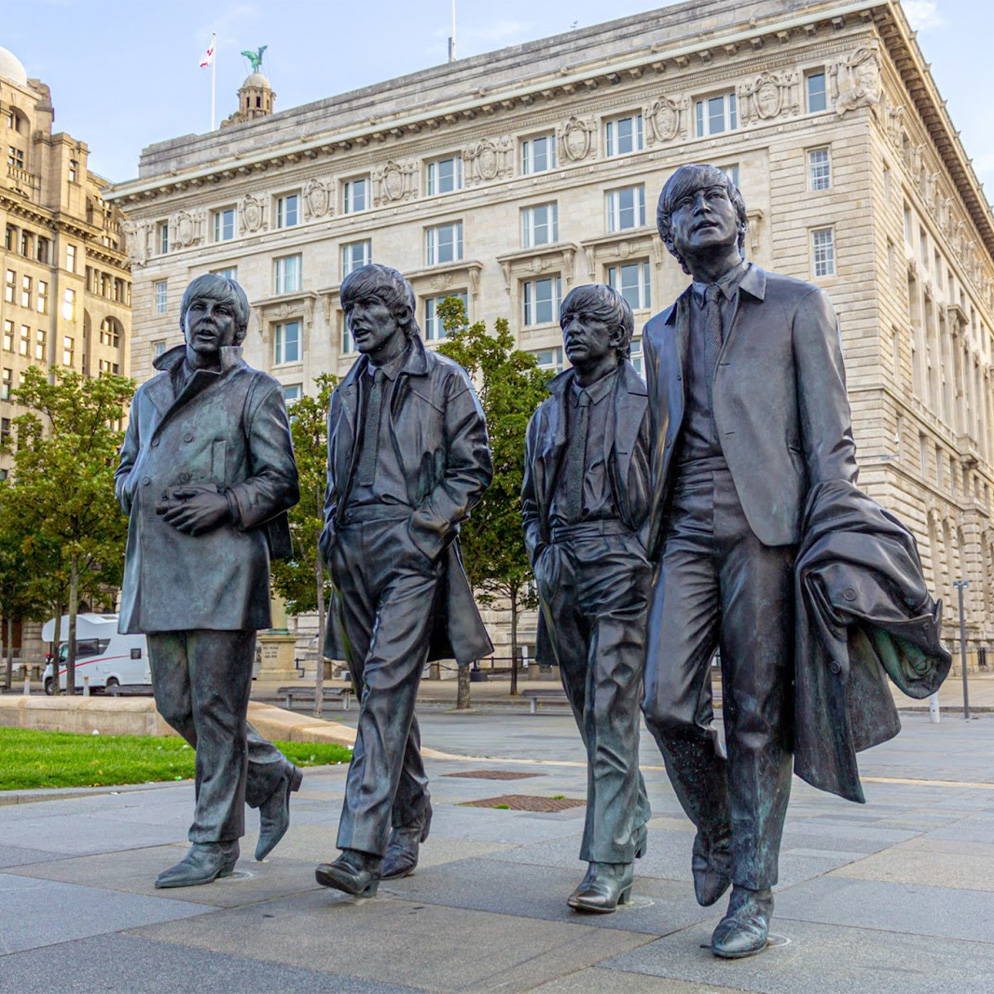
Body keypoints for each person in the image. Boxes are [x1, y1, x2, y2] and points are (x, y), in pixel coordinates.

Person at [640, 164, 858, 957]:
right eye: (683, 207)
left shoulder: (798, 304)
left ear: (741, 218)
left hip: (769, 526)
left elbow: (831, 434)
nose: (700, 212)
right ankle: (725, 827)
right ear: (668, 237)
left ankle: (753, 895)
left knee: (757, 716)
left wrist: (833, 533)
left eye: (713, 200)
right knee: (663, 701)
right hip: (685, 532)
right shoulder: (656, 330)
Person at [116, 273, 302, 889]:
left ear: (240, 328)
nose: (207, 319)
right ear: (183, 319)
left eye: (223, 312)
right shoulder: (147, 395)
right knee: (175, 704)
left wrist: (224, 501)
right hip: (160, 564)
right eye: (198, 308)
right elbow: (126, 467)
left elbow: (280, 480)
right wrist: (135, 491)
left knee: (218, 708)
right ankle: (270, 772)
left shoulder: (257, 391)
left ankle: (214, 842)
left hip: (224, 565)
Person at [315, 263, 492, 898]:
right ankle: (411, 816)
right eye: (348, 307)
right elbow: (333, 478)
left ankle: (360, 847)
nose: (356, 317)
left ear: (400, 313)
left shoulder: (444, 380)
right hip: (352, 554)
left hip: (411, 549)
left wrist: (428, 528)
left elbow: (474, 466)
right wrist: (330, 534)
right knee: (378, 696)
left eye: (367, 306)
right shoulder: (344, 392)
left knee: (388, 689)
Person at [521, 284, 652, 913]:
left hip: (622, 563)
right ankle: (630, 811)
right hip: (561, 565)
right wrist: (538, 553)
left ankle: (608, 862)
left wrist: (642, 553)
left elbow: (673, 488)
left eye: (589, 320)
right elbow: (529, 501)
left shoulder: (650, 400)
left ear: (618, 334)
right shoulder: (546, 410)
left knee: (611, 707)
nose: (572, 329)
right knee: (589, 714)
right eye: (567, 319)